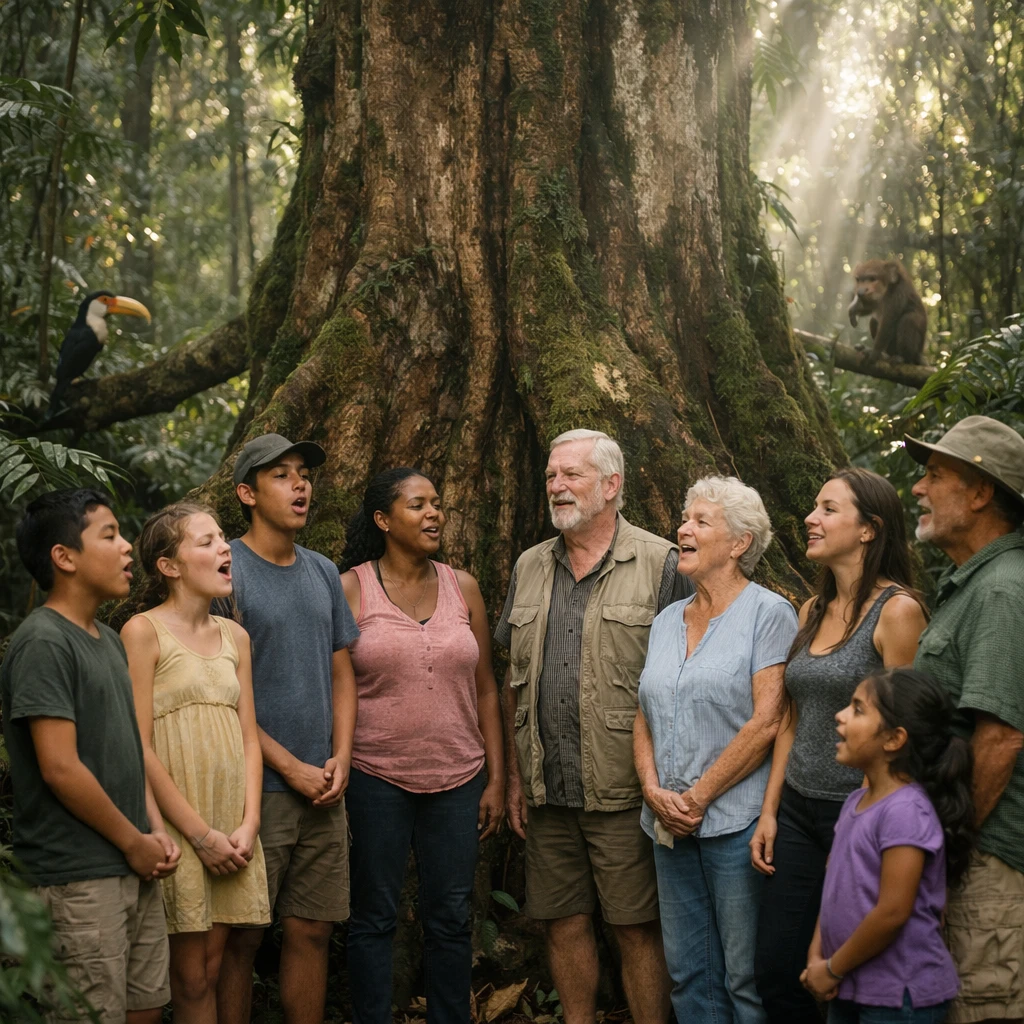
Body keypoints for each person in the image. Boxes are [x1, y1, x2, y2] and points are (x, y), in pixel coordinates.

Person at [494, 428, 691, 1024]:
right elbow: (511, 678)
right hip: (547, 790)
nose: (556, 486)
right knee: (562, 921)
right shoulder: (530, 564)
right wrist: (513, 781)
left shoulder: (664, 563)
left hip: (626, 792)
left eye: (571, 475)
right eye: (551, 476)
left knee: (636, 928)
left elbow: (691, 679)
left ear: (612, 485)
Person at [751, 468, 928, 1023]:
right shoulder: (809, 610)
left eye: (828, 509)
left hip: (861, 816)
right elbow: (791, 720)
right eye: (814, 506)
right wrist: (771, 810)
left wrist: (875, 821)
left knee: (844, 968)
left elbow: (909, 731)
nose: (810, 518)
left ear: (869, 529)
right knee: (777, 968)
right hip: (800, 812)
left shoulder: (897, 612)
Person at [0, 489, 179, 1023]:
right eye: (110, 535)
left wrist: (154, 830)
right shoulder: (43, 642)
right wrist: (133, 843)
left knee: (147, 1008)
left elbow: (127, 749)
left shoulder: (105, 639)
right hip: (78, 878)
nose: (128, 548)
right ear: (65, 557)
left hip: (134, 864)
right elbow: (59, 767)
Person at [337, 468, 505, 1024]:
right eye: (418, 505)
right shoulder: (351, 588)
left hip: (459, 778)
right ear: (384, 520)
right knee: (373, 917)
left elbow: (486, 689)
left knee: (452, 918)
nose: (434, 513)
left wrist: (497, 779)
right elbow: (334, 687)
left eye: (437, 503)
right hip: (374, 775)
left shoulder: (465, 586)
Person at [635, 475, 797, 1024]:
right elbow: (644, 713)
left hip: (736, 825)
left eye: (702, 521)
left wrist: (698, 797)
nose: (683, 528)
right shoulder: (663, 622)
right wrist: (653, 790)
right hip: (667, 824)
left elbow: (768, 719)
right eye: (685, 519)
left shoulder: (770, 613)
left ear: (739, 543)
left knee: (744, 977)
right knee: (687, 973)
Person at [216, 434, 360, 1024]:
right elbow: (222, 691)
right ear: (247, 493)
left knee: (312, 929)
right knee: (242, 938)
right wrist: (289, 767)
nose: (300, 485)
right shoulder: (226, 569)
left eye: (303, 474)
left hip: (326, 787)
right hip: (258, 791)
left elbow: (341, 671)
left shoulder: (323, 571)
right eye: (281, 475)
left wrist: (341, 757)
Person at [122, 503, 270, 1023]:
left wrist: (248, 823)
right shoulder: (143, 632)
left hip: (232, 824)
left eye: (223, 539)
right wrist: (197, 835)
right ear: (169, 565)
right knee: (188, 976)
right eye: (206, 541)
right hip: (182, 825)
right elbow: (136, 745)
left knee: (212, 965)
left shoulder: (237, 637)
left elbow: (249, 739)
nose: (224, 547)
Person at [905, 415, 1024, 1024]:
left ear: (980, 493)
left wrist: (946, 858)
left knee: (980, 1007)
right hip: (964, 855)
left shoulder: (1002, 589)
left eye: (934, 476)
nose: (919, 489)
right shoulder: (972, 584)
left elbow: (1000, 740)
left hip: (987, 863)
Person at [800, 669, 974, 1024]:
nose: (840, 715)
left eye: (858, 709)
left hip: (898, 997)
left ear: (894, 739)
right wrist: (817, 957)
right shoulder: (856, 802)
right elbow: (834, 885)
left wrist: (832, 967)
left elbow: (893, 911)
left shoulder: (906, 811)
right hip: (849, 984)